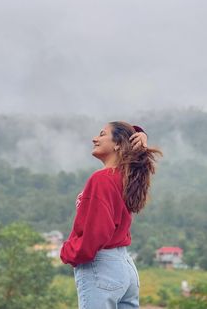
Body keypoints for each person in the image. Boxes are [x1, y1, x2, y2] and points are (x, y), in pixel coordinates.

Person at [60, 121, 162, 309]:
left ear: (117, 144)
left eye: (101, 134)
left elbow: (97, 232)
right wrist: (139, 133)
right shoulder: (126, 177)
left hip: (101, 266)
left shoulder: (102, 179)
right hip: (124, 268)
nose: (94, 138)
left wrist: (68, 252)